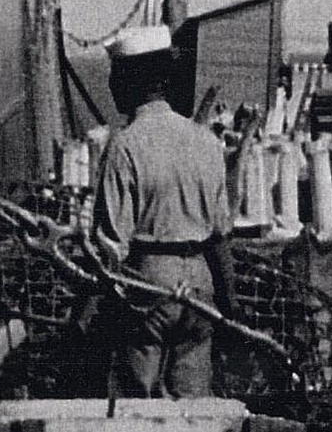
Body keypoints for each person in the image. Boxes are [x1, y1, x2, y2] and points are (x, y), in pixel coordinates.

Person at [93, 22, 233, 398]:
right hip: (201, 281)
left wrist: (90, 313)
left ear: (128, 82)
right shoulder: (205, 141)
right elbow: (220, 236)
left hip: (149, 280)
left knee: (136, 402)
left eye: (114, 77)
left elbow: (109, 246)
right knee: (193, 403)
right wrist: (230, 304)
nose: (110, 86)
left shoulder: (125, 146)